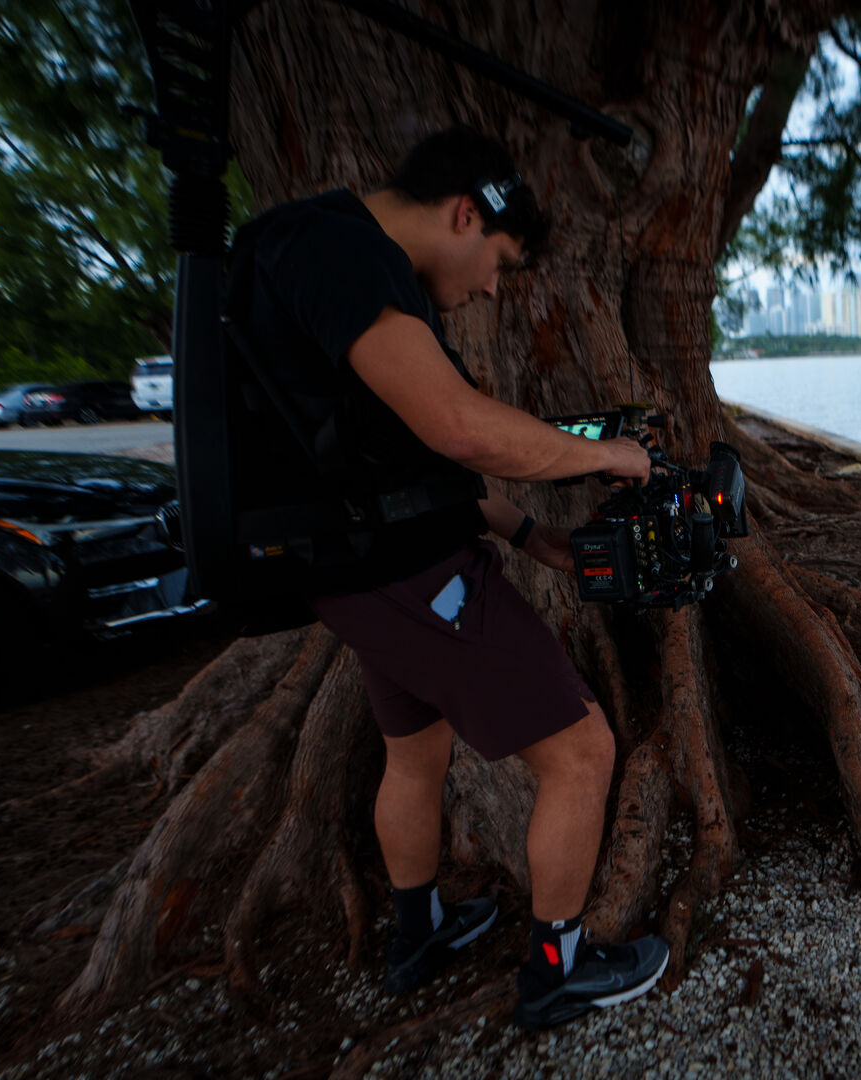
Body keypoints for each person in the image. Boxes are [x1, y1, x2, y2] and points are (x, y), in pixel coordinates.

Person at [226, 126, 667, 1030]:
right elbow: (460, 429)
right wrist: (610, 454)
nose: (493, 287)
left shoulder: (355, 268)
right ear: (466, 213)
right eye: (499, 261)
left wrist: (533, 536)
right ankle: (558, 970)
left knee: (415, 749)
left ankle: (418, 931)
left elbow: (414, 465)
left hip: (369, 575)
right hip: (408, 577)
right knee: (582, 752)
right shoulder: (341, 251)